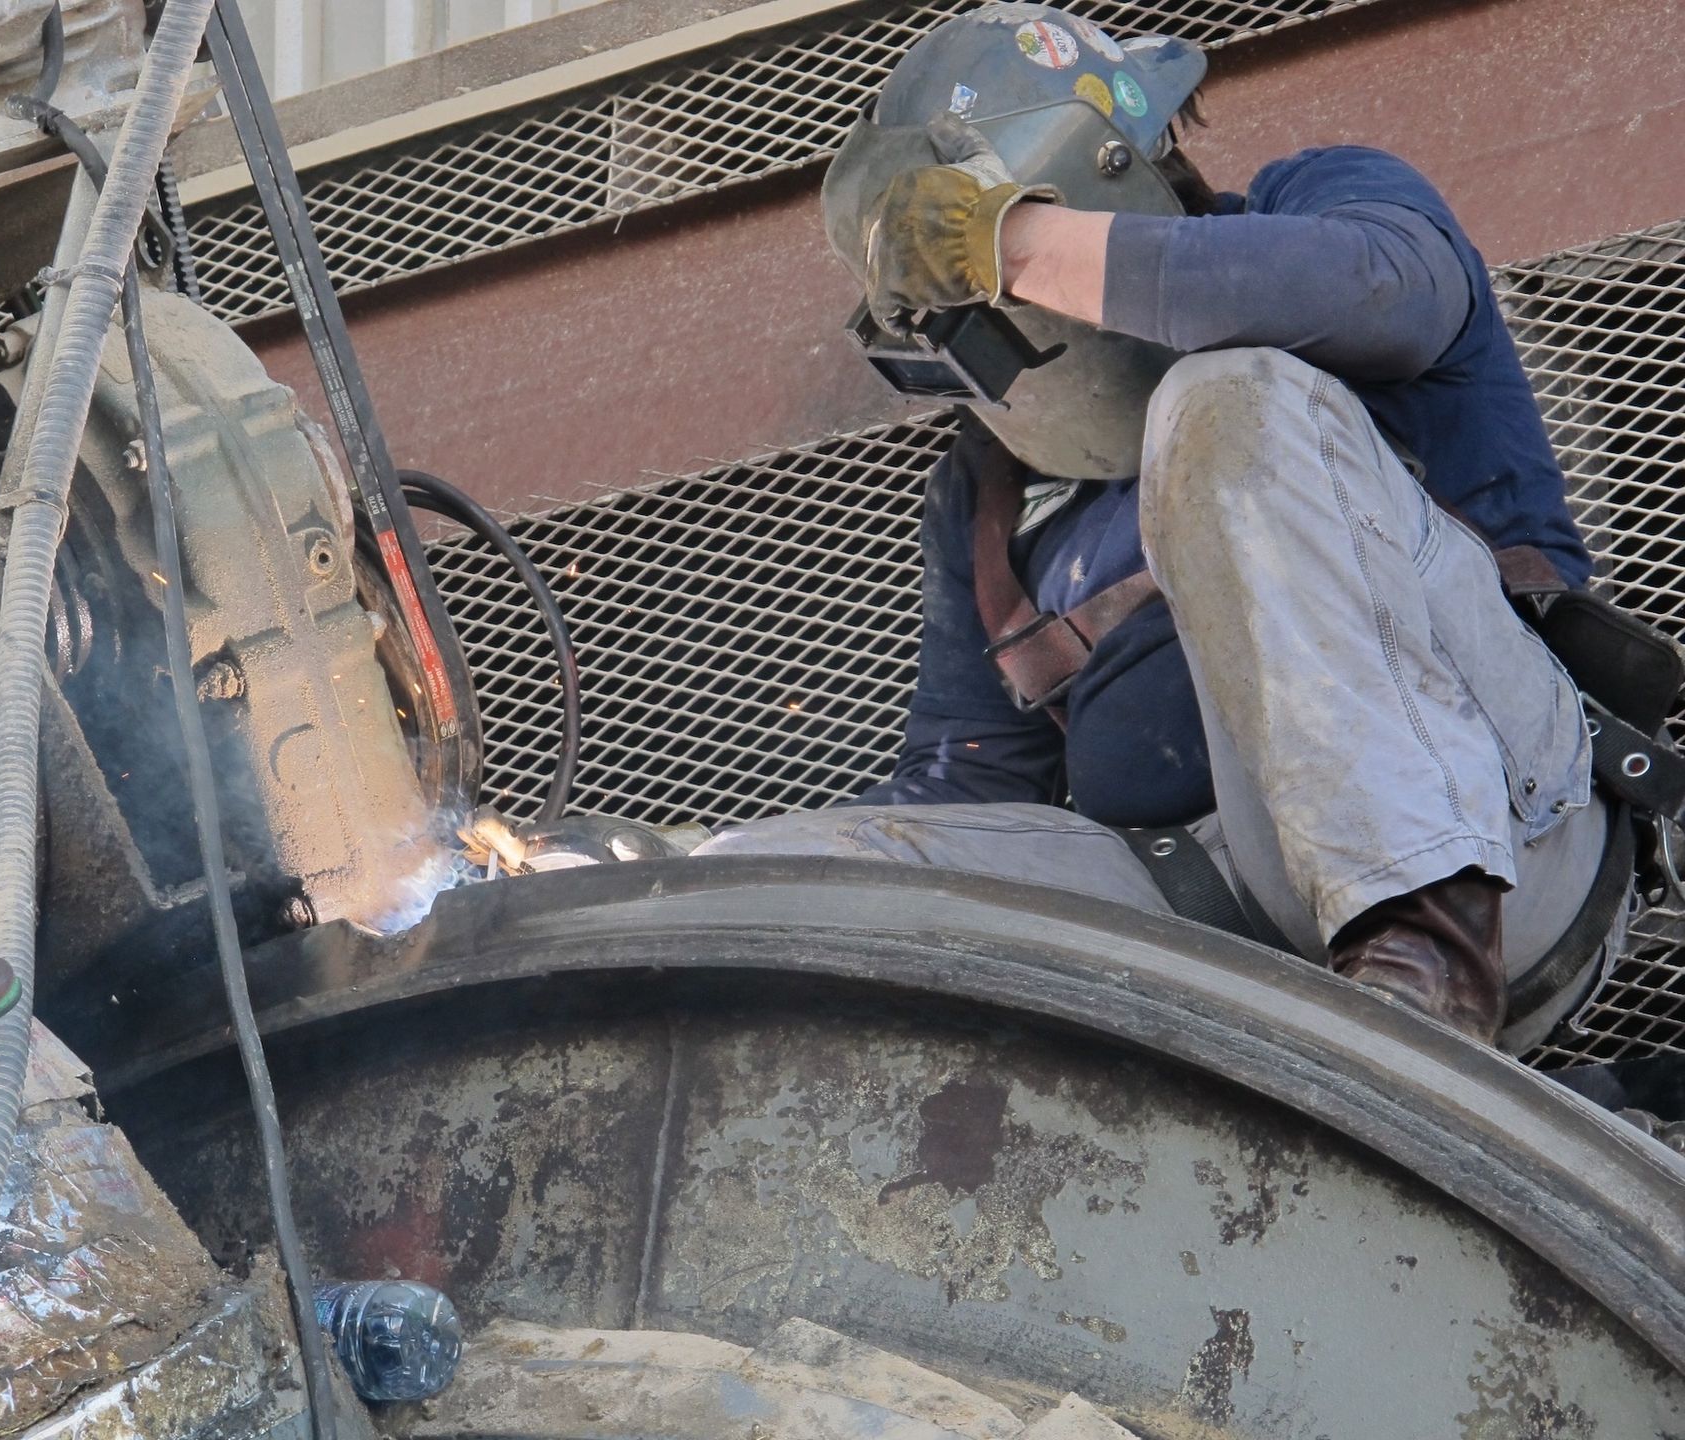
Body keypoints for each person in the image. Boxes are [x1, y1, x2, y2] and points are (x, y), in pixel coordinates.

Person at [691, 2, 1625, 1054]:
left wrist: (1011, 242)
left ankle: (1420, 976)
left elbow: (1382, 294)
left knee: (1222, 397)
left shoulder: (1330, 210)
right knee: (759, 886)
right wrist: (680, 873)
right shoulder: (988, 494)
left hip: (1507, 825)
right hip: (1227, 914)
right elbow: (964, 787)